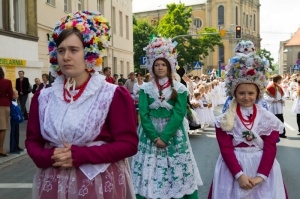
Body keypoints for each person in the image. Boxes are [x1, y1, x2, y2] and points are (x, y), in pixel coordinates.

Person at [25, 11, 138, 199]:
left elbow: (128, 144)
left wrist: (79, 155)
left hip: (97, 185)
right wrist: (50, 156)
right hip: (54, 184)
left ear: (89, 53)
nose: (66, 57)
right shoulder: (43, 96)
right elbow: (32, 141)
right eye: (61, 51)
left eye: (73, 50)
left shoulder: (112, 94)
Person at [208, 40, 288, 199]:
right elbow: (226, 148)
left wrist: (261, 175)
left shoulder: (267, 118)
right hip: (233, 170)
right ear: (234, 94)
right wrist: (239, 175)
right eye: (241, 93)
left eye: (251, 93)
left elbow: (270, 148)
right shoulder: (225, 118)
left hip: (262, 169)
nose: (246, 97)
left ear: (258, 94)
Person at [131, 37, 202, 199]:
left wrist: (165, 136)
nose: (160, 67)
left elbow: (178, 114)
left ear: (170, 66)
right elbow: (144, 113)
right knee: (150, 171)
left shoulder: (180, 88)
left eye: (163, 64)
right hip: (150, 136)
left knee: (176, 170)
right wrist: (155, 137)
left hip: (174, 134)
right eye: (157, 64)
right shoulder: (146, 89)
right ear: (152, 66)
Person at [264, 74, 287, 138]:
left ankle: (282, 133)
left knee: (281, 119)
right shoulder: (270, 87)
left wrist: (282, 99)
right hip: (273, 106)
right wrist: (272, 100)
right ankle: (274, 134)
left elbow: (283, 95)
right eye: (280, 80)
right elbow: (265, 96)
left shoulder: (279, 87)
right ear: (278, 80)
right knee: (273, 120)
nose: (281, 81)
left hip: (279, 106)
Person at [0, 66, 13, 157]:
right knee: (2, 128)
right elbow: (11, 95)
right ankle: (0, 149)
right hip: (3, 105)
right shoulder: (7, 82)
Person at [9, 89, 24, 154]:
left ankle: (16, 146)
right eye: (16, 94)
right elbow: (12, 112)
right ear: (13, 95)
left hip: (17, 120)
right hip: (14, 120)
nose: (18, 95)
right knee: (13, 134)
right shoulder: (12, 103)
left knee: (17, 134)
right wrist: (17, 117)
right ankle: (13, 148)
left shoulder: (16, 102)